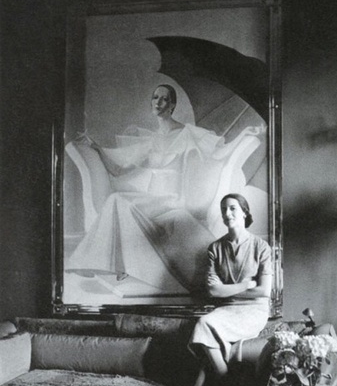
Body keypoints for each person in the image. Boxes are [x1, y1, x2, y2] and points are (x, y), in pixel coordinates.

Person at [66, 84, 264, 293]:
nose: (158, 102)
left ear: (172, 105)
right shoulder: (152, 139)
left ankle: (100, 264)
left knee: (119, 201)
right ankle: (111, 266)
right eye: (155, 98)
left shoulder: (187, 133)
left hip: (172, 199)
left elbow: (218, 154)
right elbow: (118, 169)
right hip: (151, 198)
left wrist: (244, 134)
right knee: (116, 199)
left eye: (164, 99)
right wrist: (96, 147)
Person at [187, 193, 273, 386]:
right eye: (223, 209)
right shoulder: (215, 248)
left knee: (206, 327)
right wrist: (246, 285)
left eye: (233, 208)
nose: (227, 213)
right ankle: (226, 380)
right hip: (227, 309)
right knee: (204, 323)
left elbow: (264, 291)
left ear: (244, 212)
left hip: (254, 310)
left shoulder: (261, 246)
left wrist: (227, 290)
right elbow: (213, 291)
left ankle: (216, 383)